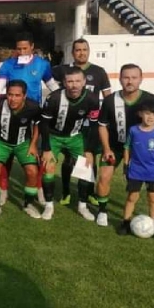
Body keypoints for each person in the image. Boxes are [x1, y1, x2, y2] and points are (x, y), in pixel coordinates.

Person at [97, 64, 154, 228]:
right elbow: (102, 125)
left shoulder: (150, 99)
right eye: (126, 77)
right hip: (116, 147)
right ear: (120, 79)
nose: (130, 81)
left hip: (142, 150)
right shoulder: (110, 100)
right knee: (103, 176)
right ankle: (102, 211)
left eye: (134, 77)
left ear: (141, 79)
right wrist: (107, 148)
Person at [0, 32, 59, 205]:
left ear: (32, 47)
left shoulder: (43, 64)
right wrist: (8, 99)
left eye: (25, 48)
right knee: (6, 155)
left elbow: (52, 85)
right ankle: (4, 189)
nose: (22, 51)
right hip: (12, 113)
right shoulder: (8, 65)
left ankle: (38, 189)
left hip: (35, 115)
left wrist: (60, 98)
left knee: (35, 154)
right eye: (18, 48)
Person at [52, 38, 111, 206]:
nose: (81, 52)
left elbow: (107, 98)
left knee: (89, 159)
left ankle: (88, 192)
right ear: (72, 53)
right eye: (78, 50)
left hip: (91, 125)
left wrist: (108, 119)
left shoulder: (99, 71)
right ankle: (65, 192)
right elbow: (48, 82)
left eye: (84, 49)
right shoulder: (63, 70)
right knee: (69, 160)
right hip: (70, 125)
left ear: (89, 51)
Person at [40, 67, 100, 221]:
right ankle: (48, 206)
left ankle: (82, 206)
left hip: (75, 137)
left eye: (78, 81)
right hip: (54, 137)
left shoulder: (92, 99)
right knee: (48, 169)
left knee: (85, 169)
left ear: (84, 82)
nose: (74, 85)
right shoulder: (53, 98)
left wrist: (89, 149)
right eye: (70, 81)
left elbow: (94, 126)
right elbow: (44, 124)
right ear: (64, 83)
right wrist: (46, 148)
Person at [0, 80, 42, 220]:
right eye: (10, 94)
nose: (13, 99)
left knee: (32, 171)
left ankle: (28, 204)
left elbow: (37, 125)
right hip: (1, 143)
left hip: (23, 143)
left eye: (17, 95)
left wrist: (33, 144)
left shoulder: (33, 107)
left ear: (24, 96)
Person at [120, 98, 154, 238]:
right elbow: (127, 147)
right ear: (140, 114)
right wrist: (125, 166)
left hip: (153, 172)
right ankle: (125, 222)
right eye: (147, 113)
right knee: (132, 197)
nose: (150, 117)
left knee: (153, 199)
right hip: (136, 170)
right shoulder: (133, 130)